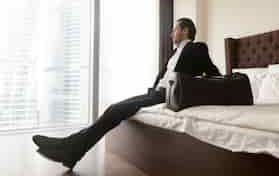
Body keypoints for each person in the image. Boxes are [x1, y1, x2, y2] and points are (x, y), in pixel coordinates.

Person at [32, 17, 221, 170]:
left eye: (175, 29)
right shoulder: (174, 54)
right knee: (114, 108)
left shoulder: (197, 48)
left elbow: (213, 74)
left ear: (186, 31)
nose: (171, 33)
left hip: (167, 95)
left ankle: (71, 149)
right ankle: (70, 146)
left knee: (115, 109)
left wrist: (199, 86)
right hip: (156, 93)